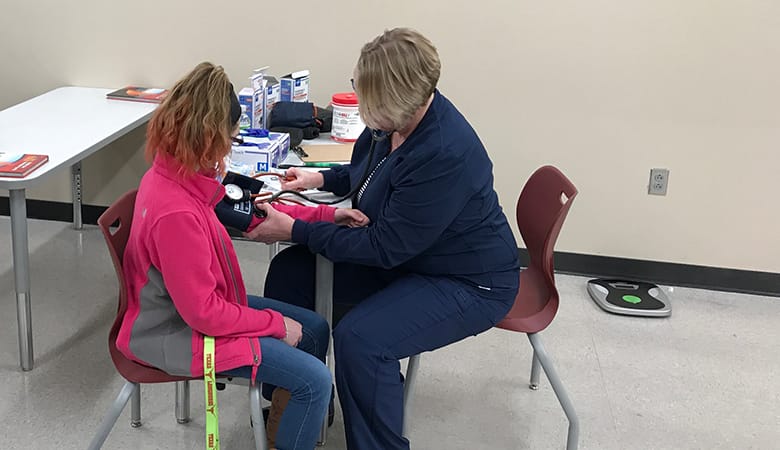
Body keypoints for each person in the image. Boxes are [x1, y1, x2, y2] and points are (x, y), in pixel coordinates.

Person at [245, 28, 521, 450]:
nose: (359, 102)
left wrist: (295, 228)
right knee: (291, 273)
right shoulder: (391, 124)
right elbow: (365, 174)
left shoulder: (443, 151)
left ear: (400, 98)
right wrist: (318, 177)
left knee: (363, 341)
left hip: (468, 280)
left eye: (365, 93)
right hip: (414, 256)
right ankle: (303, 396)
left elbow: (382, 248)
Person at [118, 62, 366, 450]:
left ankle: (289, 421)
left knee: (315, 329)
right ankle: (300, 408)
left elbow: (260, 212)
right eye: (231, 139)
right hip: (178, 334)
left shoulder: (181, 174)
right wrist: (273, 324)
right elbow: (204, 315)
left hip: (198, 309)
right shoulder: (176, 214)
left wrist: (328, 214)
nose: (231, 149)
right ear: (209, 137)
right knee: (315, 380)